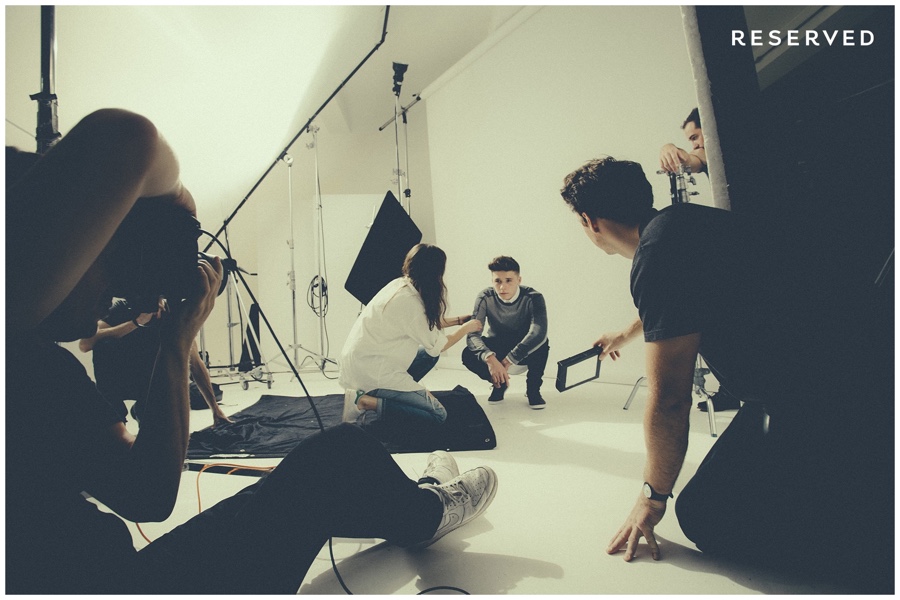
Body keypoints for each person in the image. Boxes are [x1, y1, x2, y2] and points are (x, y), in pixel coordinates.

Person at [5, 109, 499, 594]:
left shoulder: (33, 363)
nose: (108, 293)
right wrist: (170, 226)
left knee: (338, 460)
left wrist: (177, 342)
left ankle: (411, 497)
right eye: (101, 261)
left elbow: (142, 491)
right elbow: (126, 136)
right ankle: (428, 507)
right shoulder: (22, 358)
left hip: (115, 576)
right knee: (342, 454)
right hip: (125, 585)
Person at [557, 156, 891, 592]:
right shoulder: (684, 223)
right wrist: (627, 332)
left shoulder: (656, 256)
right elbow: (683, 296)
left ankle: (875, 557)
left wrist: (651, 499)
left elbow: (671, 401)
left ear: (589, 221)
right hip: (857, 363)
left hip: (828, 398)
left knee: (706, 517)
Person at [339, 243, 482, 425]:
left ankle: (394, 396)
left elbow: (422, 325)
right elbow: (440, 344)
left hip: (361, 362)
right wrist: (467, 328)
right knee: (438, 415)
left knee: (429, 356)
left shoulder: (399, 284)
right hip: (372, 373)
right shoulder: (411, 304)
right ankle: (365, 402)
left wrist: (458, 320)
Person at [79, 297, 233, 428]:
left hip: (151, 384)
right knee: (103, 344)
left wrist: (215, 409)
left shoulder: (172, 316)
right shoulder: (123, 308)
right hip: (120, 380)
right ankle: (118, 421)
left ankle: (142, 410)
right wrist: (136, 322)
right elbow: (85, 344)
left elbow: (195, 364)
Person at [461, 256, 550, 409]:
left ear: (519, 280)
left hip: (525, 350)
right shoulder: (485, 297)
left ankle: (533, 390)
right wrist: (490, 359)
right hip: (498, 347)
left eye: (508, 280)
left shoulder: (533, 297)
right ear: (492, 281)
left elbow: (538, 332)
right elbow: (473, 334)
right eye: (498, 281)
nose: (502, 287)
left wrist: (510, 359)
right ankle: (499, 383)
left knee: (541, 342)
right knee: (468, 353)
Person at [659, 107, 706, 175]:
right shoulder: (701, 156)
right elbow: (688, 161)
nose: (694, 146)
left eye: (694, 138)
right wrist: (668, 148)